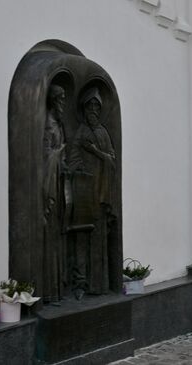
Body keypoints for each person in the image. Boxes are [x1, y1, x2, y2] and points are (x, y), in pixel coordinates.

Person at [67, 87, 117, 299]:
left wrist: (98, 153)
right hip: (85, 193)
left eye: (97, 106)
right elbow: (73, 159)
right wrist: (80, 167)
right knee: (82, 238)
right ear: (84, 108)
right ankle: (81, 283)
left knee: (99, 240)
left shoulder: (104, 132)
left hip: (102, 192)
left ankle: (100, 284)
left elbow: (112, 159)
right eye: (90, 105)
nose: (94, 110)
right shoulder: (81, 132)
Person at [42, 84, 67, 303]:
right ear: (53, 101)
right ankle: (50, 290)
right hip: (50, 186)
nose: (63, 105)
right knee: (50, 236)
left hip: (59, 184)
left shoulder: (58, 124)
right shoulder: (49, 124)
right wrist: (58, 155)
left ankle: (58, 288)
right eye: (61, 100)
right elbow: (46, 155)